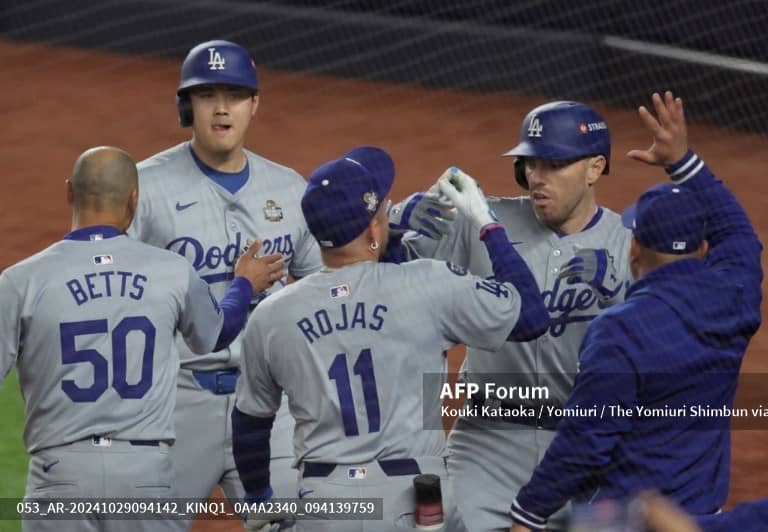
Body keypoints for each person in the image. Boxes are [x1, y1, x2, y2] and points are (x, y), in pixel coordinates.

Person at [231, 146, 550, 532]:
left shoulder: (271, 315)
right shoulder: (427, 282)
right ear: (373, 227)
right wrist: (487, 223)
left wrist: (259, 498)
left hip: (327, 504)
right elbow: (531, 317)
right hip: (416, 503)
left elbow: (250, 422)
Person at [509, 92, 762, 531]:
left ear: (635, 247)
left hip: (623, 522)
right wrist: (684, 161)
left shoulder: (619, 331)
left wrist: (528, 512)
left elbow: (585, 444)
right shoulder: (735, 298)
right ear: (701, 248)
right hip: (702, 518)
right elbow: (739, 234)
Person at [0, 146, 285, 532]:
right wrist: (242, 285)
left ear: (70, 192)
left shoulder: (20, 281)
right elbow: (215, 335)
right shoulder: (171, 271)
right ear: (134, 198)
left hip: (60, 474)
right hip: (143, 474)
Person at [402, 101, 633, 530]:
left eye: (555, 163)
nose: (537, 178)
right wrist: (398, 222)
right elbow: (382, 269)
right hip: (487, 441)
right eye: (529, 163)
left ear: (595, 168)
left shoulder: (628, 245)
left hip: (582, 445)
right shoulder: (481, 219)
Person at [125, 39, 324, 526]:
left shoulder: (289, 190)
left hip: (267, 405)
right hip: (177, 403)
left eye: (234, 94)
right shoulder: (146, 189)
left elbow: (323, 289)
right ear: (185, 105)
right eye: (206, 93)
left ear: (254, 104)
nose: (220, 107)